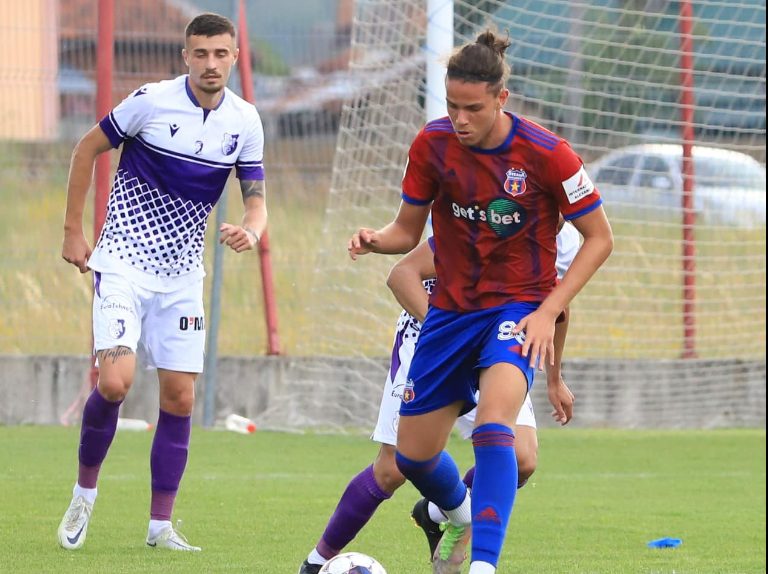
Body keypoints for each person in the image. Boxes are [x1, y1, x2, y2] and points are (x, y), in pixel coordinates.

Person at [347, 30, 613, 574]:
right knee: (414, 454)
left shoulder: (548, 154)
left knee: (498, 428)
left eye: (473, 108)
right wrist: (377, 238)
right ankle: (453, 514)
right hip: (450, 313)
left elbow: (600, 238)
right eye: (452, 106)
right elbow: (406, 231)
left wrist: (543, 311)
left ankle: (483, 566)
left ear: (501, 99)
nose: (460, 119)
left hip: (516, 309)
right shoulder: (432, 144)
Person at [57, 13, 267, 552]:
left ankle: (160, 527)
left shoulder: (245, 121)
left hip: (180, 279)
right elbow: (86, 148)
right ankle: (84, 494)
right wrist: (73, 231)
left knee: (179, 396)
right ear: (186, 57)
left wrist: (251, 229)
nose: (211, 64)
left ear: (234, 58)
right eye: (201, 54)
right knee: (115, 383)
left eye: (221, 54)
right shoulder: (150, 101)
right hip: (123, 263)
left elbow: (257, 199)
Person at [298, 223, 579, 573]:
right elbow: (404, 247)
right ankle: (315, 563)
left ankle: (436, 513)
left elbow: (556, 307)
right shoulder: (476, 191)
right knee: (392, 468)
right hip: (427, 335)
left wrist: (554, 378)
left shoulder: (564, 239)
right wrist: (382, 241)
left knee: (522, 457)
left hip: (499, 340)